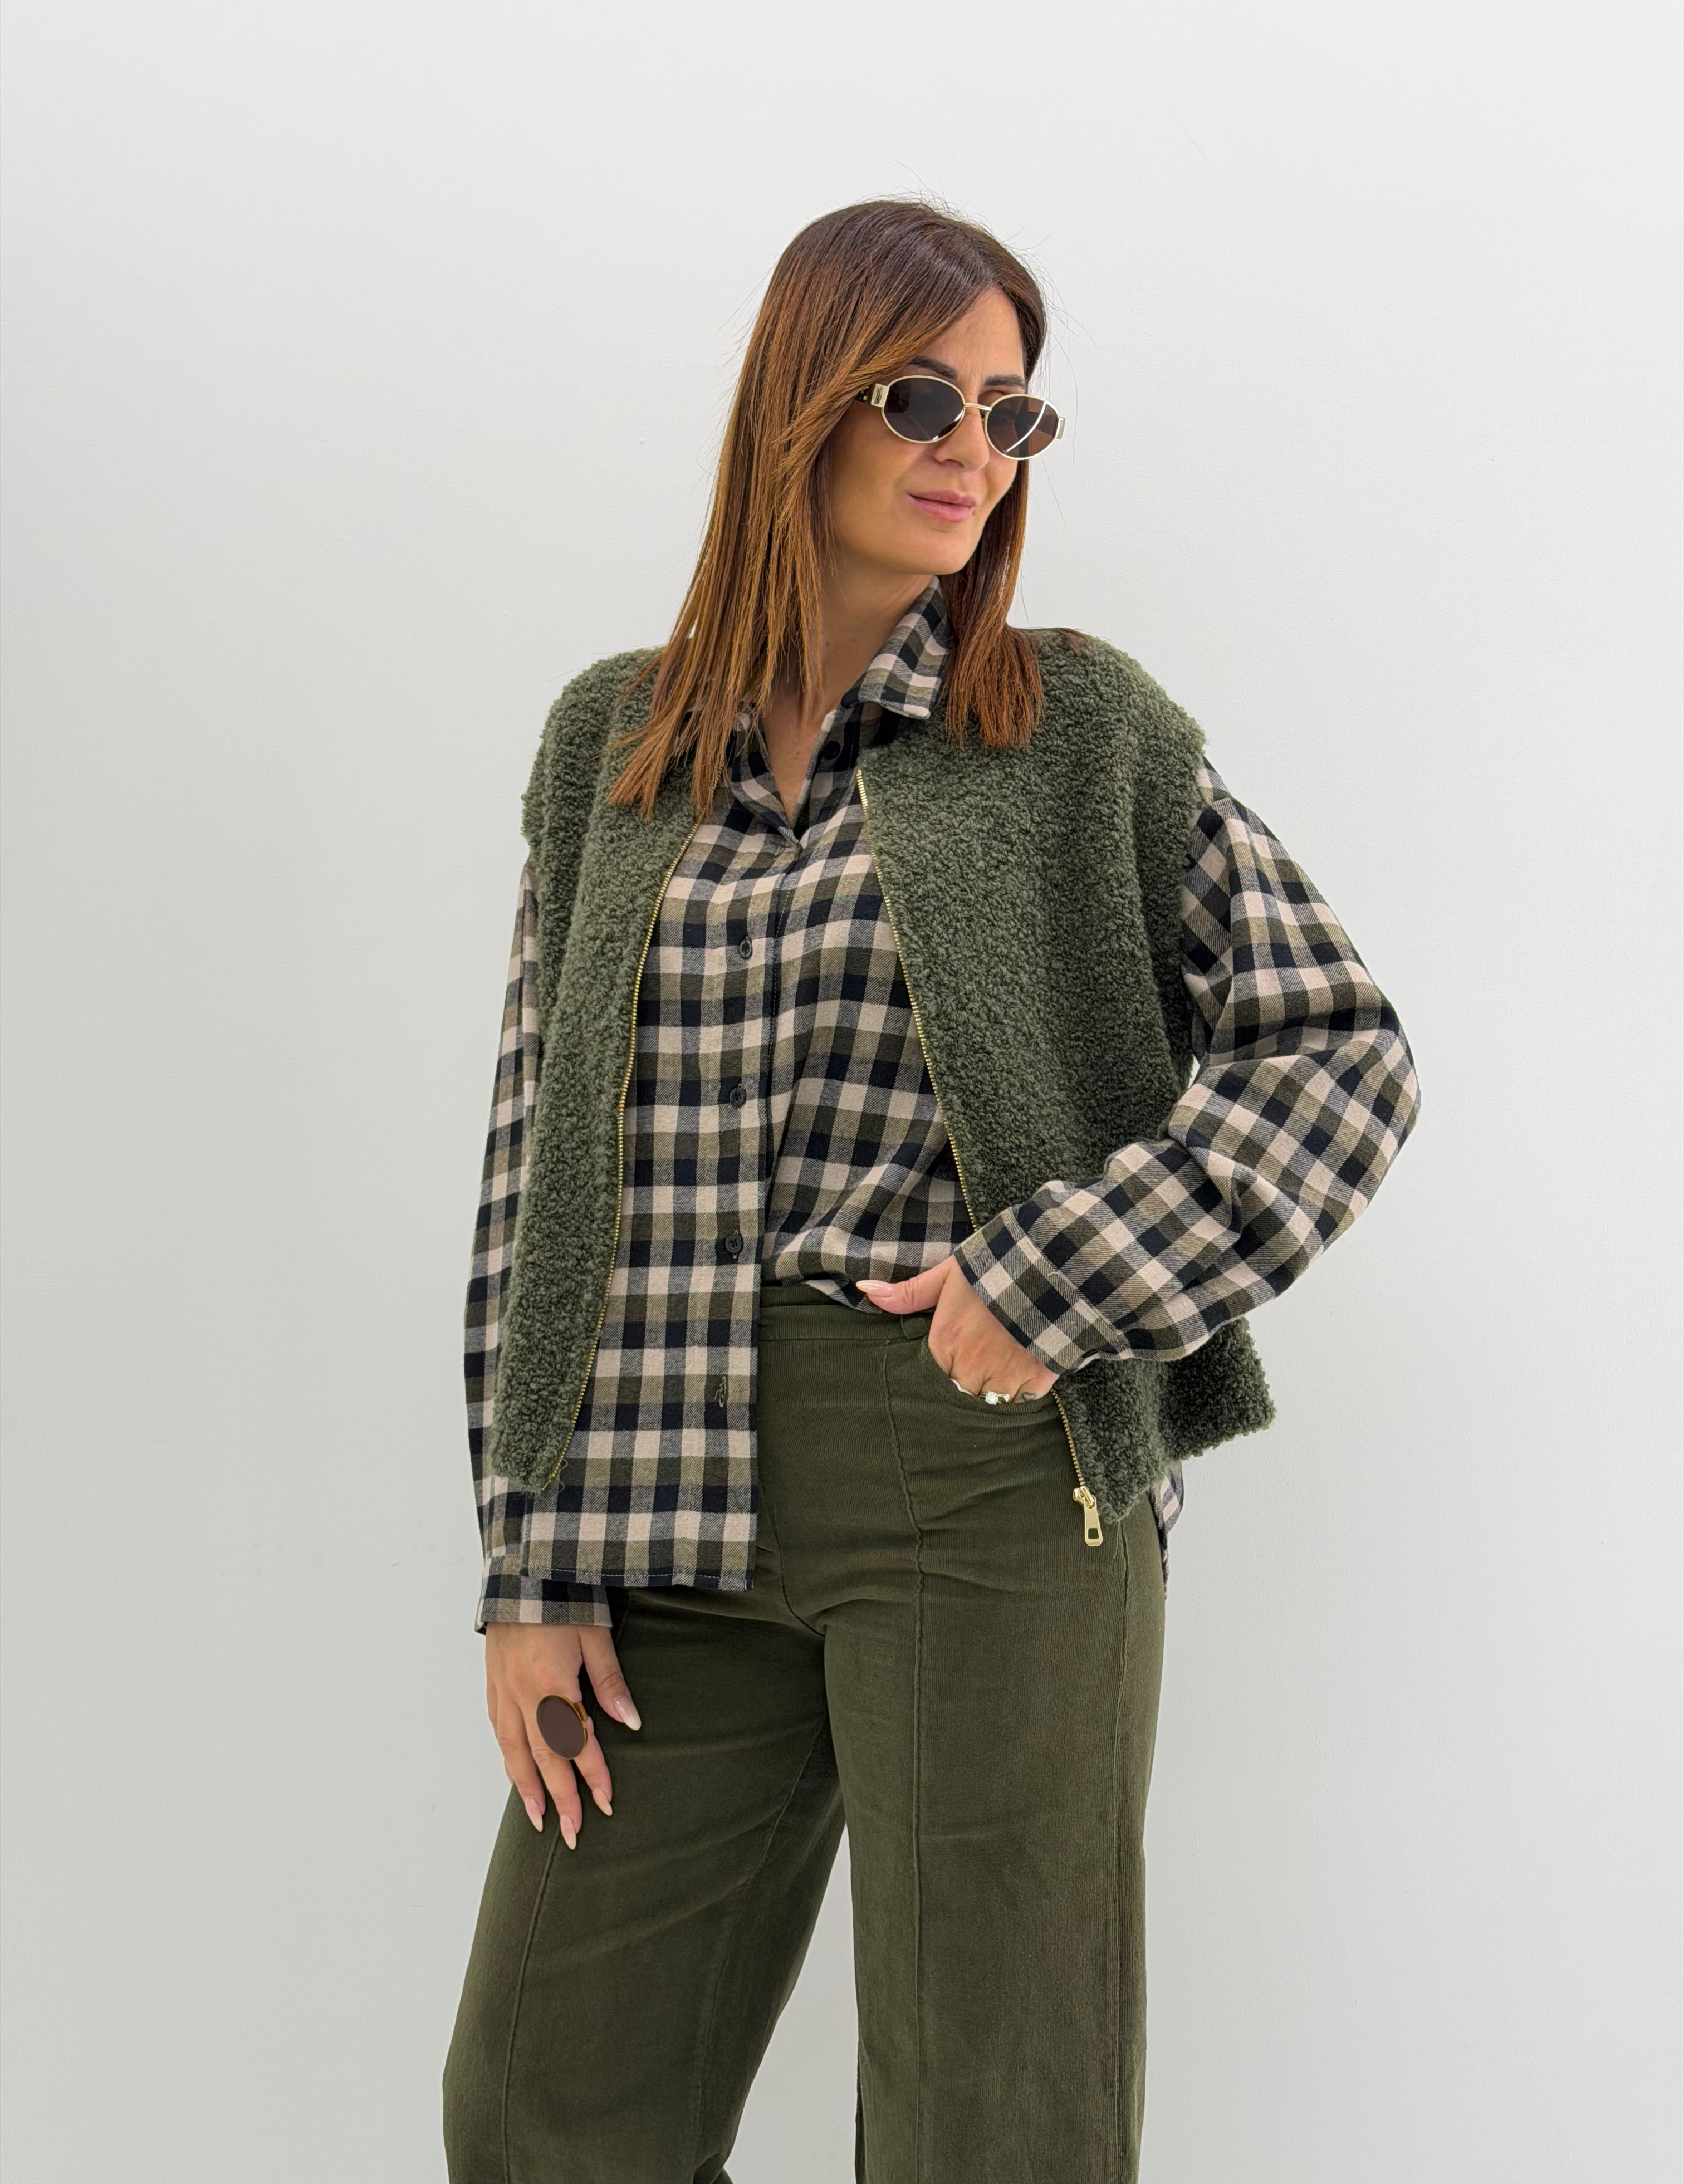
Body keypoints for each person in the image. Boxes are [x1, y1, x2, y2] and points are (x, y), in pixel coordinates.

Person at [441, 197, 1422, 2184]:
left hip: (982, 1474)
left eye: (1011, 412)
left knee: (994, 2126)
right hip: (658, 1499)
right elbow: (535, 1160)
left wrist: (1059, 1280)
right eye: (921, 397)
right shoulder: (611, 741)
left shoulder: (1070, 730)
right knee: (545, 2106)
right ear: (797, 403)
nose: (975, 447)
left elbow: (1341, 1053)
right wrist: (529, 1554)